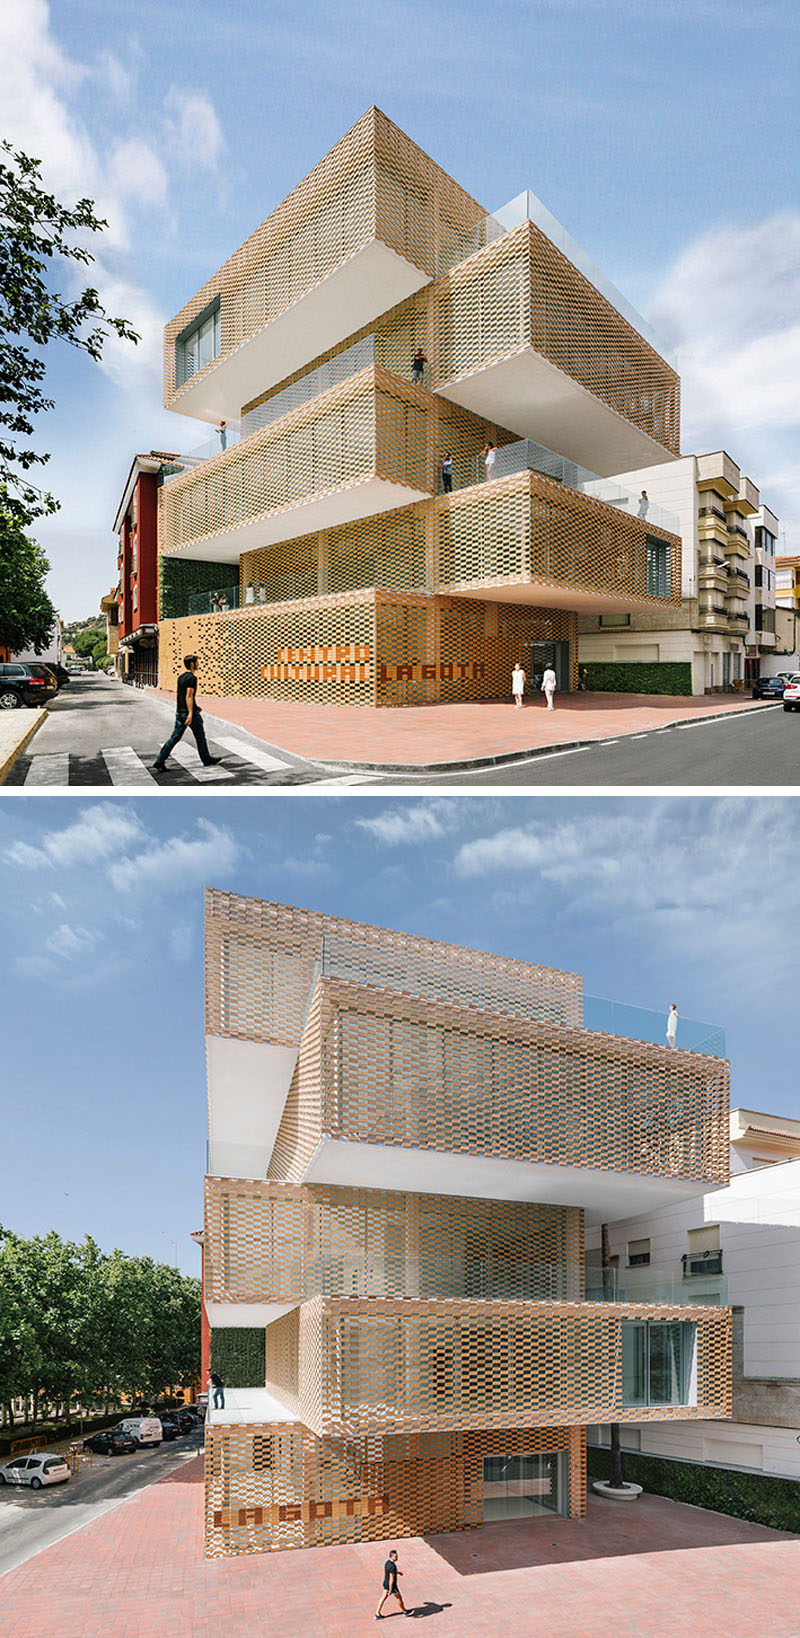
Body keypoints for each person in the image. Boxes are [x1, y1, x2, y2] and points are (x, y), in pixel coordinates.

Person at [153, 655, 221, 771]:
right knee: (200, 737)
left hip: (180, 712)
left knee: (174, 737)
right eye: (197, 662)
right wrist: (190, 713)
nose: (199, 664)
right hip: (190, 714)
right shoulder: (192, 678)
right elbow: (188, 696)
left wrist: (194, 705)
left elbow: (183, 695)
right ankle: (206, 759)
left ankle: (160, 761)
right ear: (192, 664)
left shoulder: (181, 677)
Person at [375, 1550, 412, 1619]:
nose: (397, 1557)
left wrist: (398, 1572)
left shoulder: (387, 1563)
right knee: (399, 1598)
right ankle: (405, 1612)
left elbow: (390, 1572)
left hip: (385, 1583)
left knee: (383, 1598)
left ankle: (377, 1613)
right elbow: (391, 1579)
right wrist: (391, 1589)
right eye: (395, 1556)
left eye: (397, 1556)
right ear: (391, 1557)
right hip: (392, 1586)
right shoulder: (392, 1566)